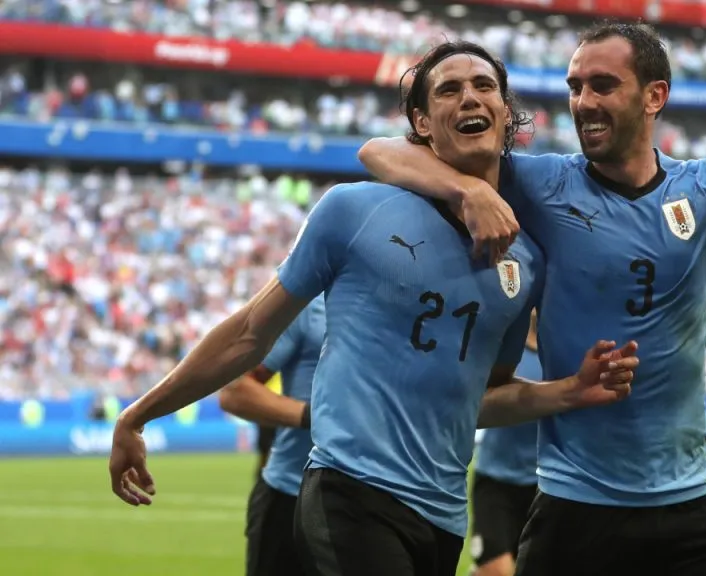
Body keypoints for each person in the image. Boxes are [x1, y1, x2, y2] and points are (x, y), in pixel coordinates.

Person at [357, 22, 706, 576]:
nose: (584, 102)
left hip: (691, 505)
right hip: (576, 509)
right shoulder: (540, 183)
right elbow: (378, 151)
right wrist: (472, 188)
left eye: (603, 85)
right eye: (575, 86)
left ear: (655, 96)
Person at [107, 40, 640, 576]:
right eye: (449, 90)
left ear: (506, 113)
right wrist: (138, 415)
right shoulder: (353, 210)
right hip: (349, 491)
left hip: (443, 515)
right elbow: (249, 331)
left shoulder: (524, 262)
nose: (470, 97)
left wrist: (567, 392)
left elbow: (478, 401)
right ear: (423, 124)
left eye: (484, 87)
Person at [218, 296, 326, 576]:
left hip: (381, 499)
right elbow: (235, 390)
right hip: (291, 496)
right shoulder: (309, 307)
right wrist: (316, 418)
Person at [470, 309, 540, 576]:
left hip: (542, 487)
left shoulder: (558, 353)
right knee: (496, 571)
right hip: (497, 479)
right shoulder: (505, 348)